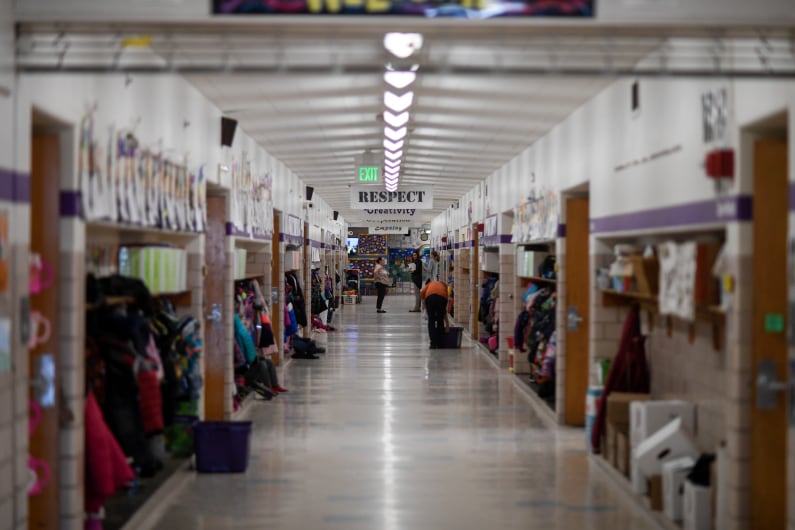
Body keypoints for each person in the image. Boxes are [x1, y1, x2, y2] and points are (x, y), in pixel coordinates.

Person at [421, 279, 450, 349]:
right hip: (442, 298)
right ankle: (440, 344)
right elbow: (444, 312)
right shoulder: (444, 287)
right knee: (440, 320)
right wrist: (447, 325)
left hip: (430, 298)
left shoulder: (429, 285)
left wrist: (424, 306)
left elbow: (422, 293)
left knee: (431, 321)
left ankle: (433, 344)